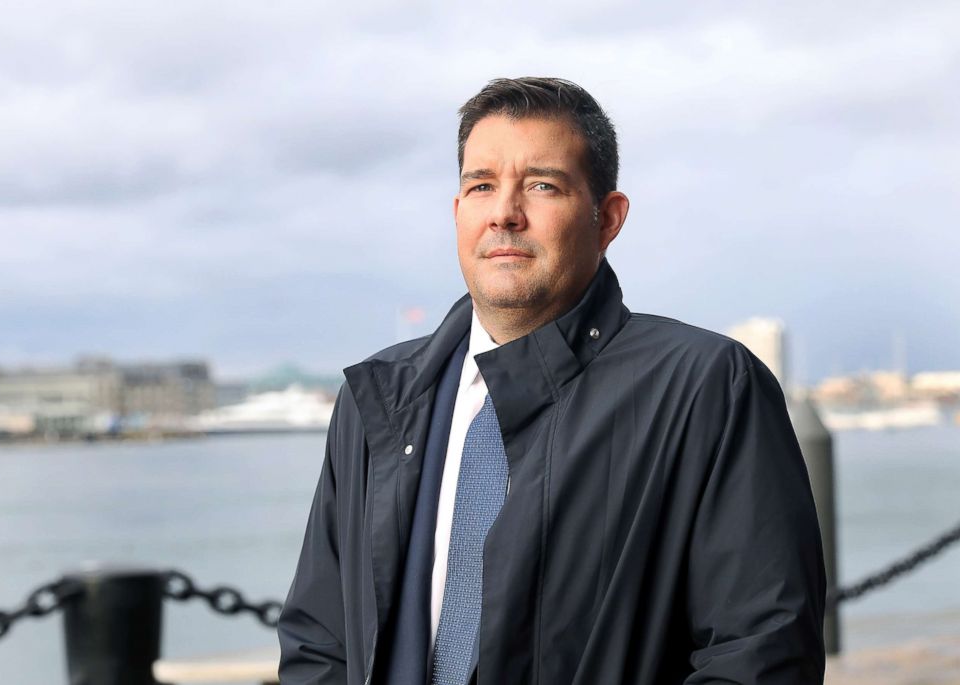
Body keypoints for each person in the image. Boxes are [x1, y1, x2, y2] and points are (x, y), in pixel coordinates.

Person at [278, 77, 826, 685]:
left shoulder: (706, 388)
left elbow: (762, 656)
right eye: (481, 186)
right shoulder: (376, 399)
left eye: (542, 185)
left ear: (608, 218)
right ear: (459, 213)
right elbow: (318, 640)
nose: (505, 214)